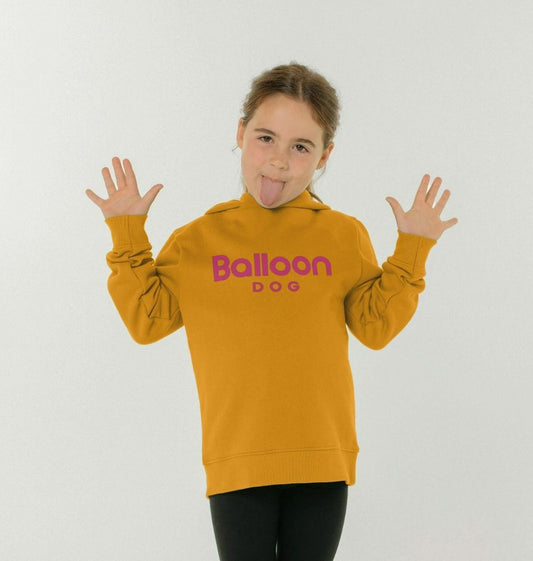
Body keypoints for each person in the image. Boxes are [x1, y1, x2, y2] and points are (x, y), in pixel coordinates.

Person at [85, 63, 458, 561]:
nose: (279, 160)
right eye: (266, 138)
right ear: (240, 134)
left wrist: (413, 249)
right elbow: (146, 321)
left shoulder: (343, 235)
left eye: (301, 146)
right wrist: (126, 233)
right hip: (237, 462)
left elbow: (374, 327)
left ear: (324, 155)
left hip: (322, 460)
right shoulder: (198, 240)